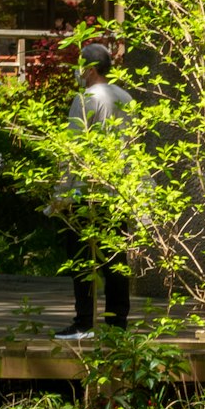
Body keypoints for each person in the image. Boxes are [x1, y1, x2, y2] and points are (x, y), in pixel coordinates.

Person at [61, 42, 133, 340]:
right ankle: (117, 324)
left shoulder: (85, 99)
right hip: (118, 189)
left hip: (87, 190)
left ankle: (84, 323)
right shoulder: (126, 98)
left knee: (82, 257)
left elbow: (73, 150)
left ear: (90, 69)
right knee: (116, 259)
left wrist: (61, 192)